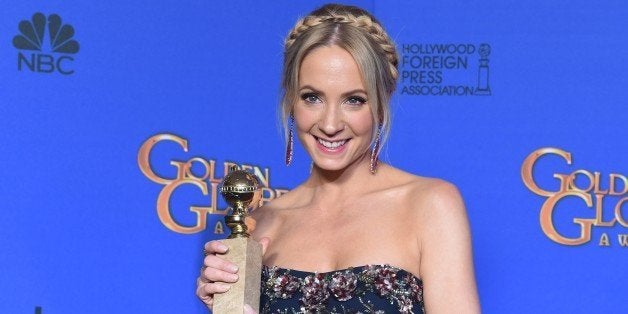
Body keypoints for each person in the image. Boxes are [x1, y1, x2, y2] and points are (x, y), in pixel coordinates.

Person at [197, 4, 480, 313]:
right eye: (312, 97)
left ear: (381, 106)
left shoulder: (430, 205)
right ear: (291, 101)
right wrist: (226, 301)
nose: (330, 124)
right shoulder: (260, 226)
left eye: (354, 100)